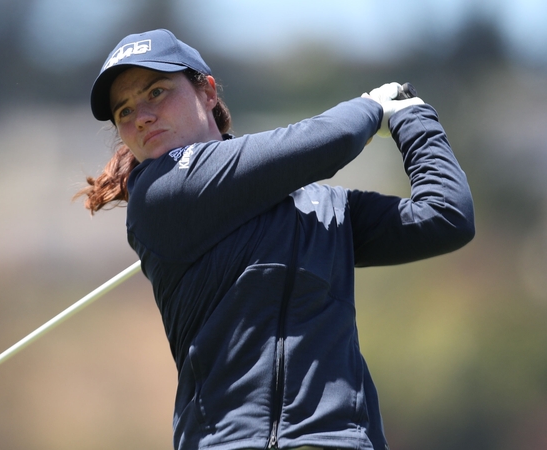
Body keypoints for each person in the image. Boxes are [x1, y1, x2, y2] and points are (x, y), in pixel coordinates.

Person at [76, 29, 474, 450]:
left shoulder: (319, 207)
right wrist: (375, 106)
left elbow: (445, 216)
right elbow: (328, 141)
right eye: (124, 111)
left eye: (156, 91)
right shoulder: (158, 195)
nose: (141, 116)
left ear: (208, 92)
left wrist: (414, 119)